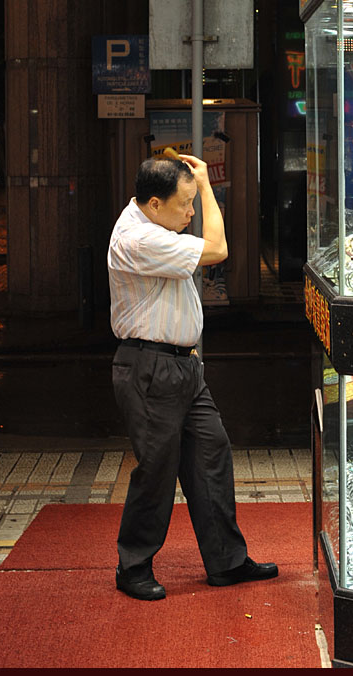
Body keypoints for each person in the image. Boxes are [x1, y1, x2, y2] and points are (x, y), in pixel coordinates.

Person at [108, 153, 278, 600]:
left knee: (211, 454)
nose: (191, 213)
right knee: (157, 469)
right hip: (150, 367)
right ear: (153, 203)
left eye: (193, 202)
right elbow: (219, 249)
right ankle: (133, 567)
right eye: (184, 204)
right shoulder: (138, 237)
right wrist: (205, 185)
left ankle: (226, 561)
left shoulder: (159, 225)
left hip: (182, 365)